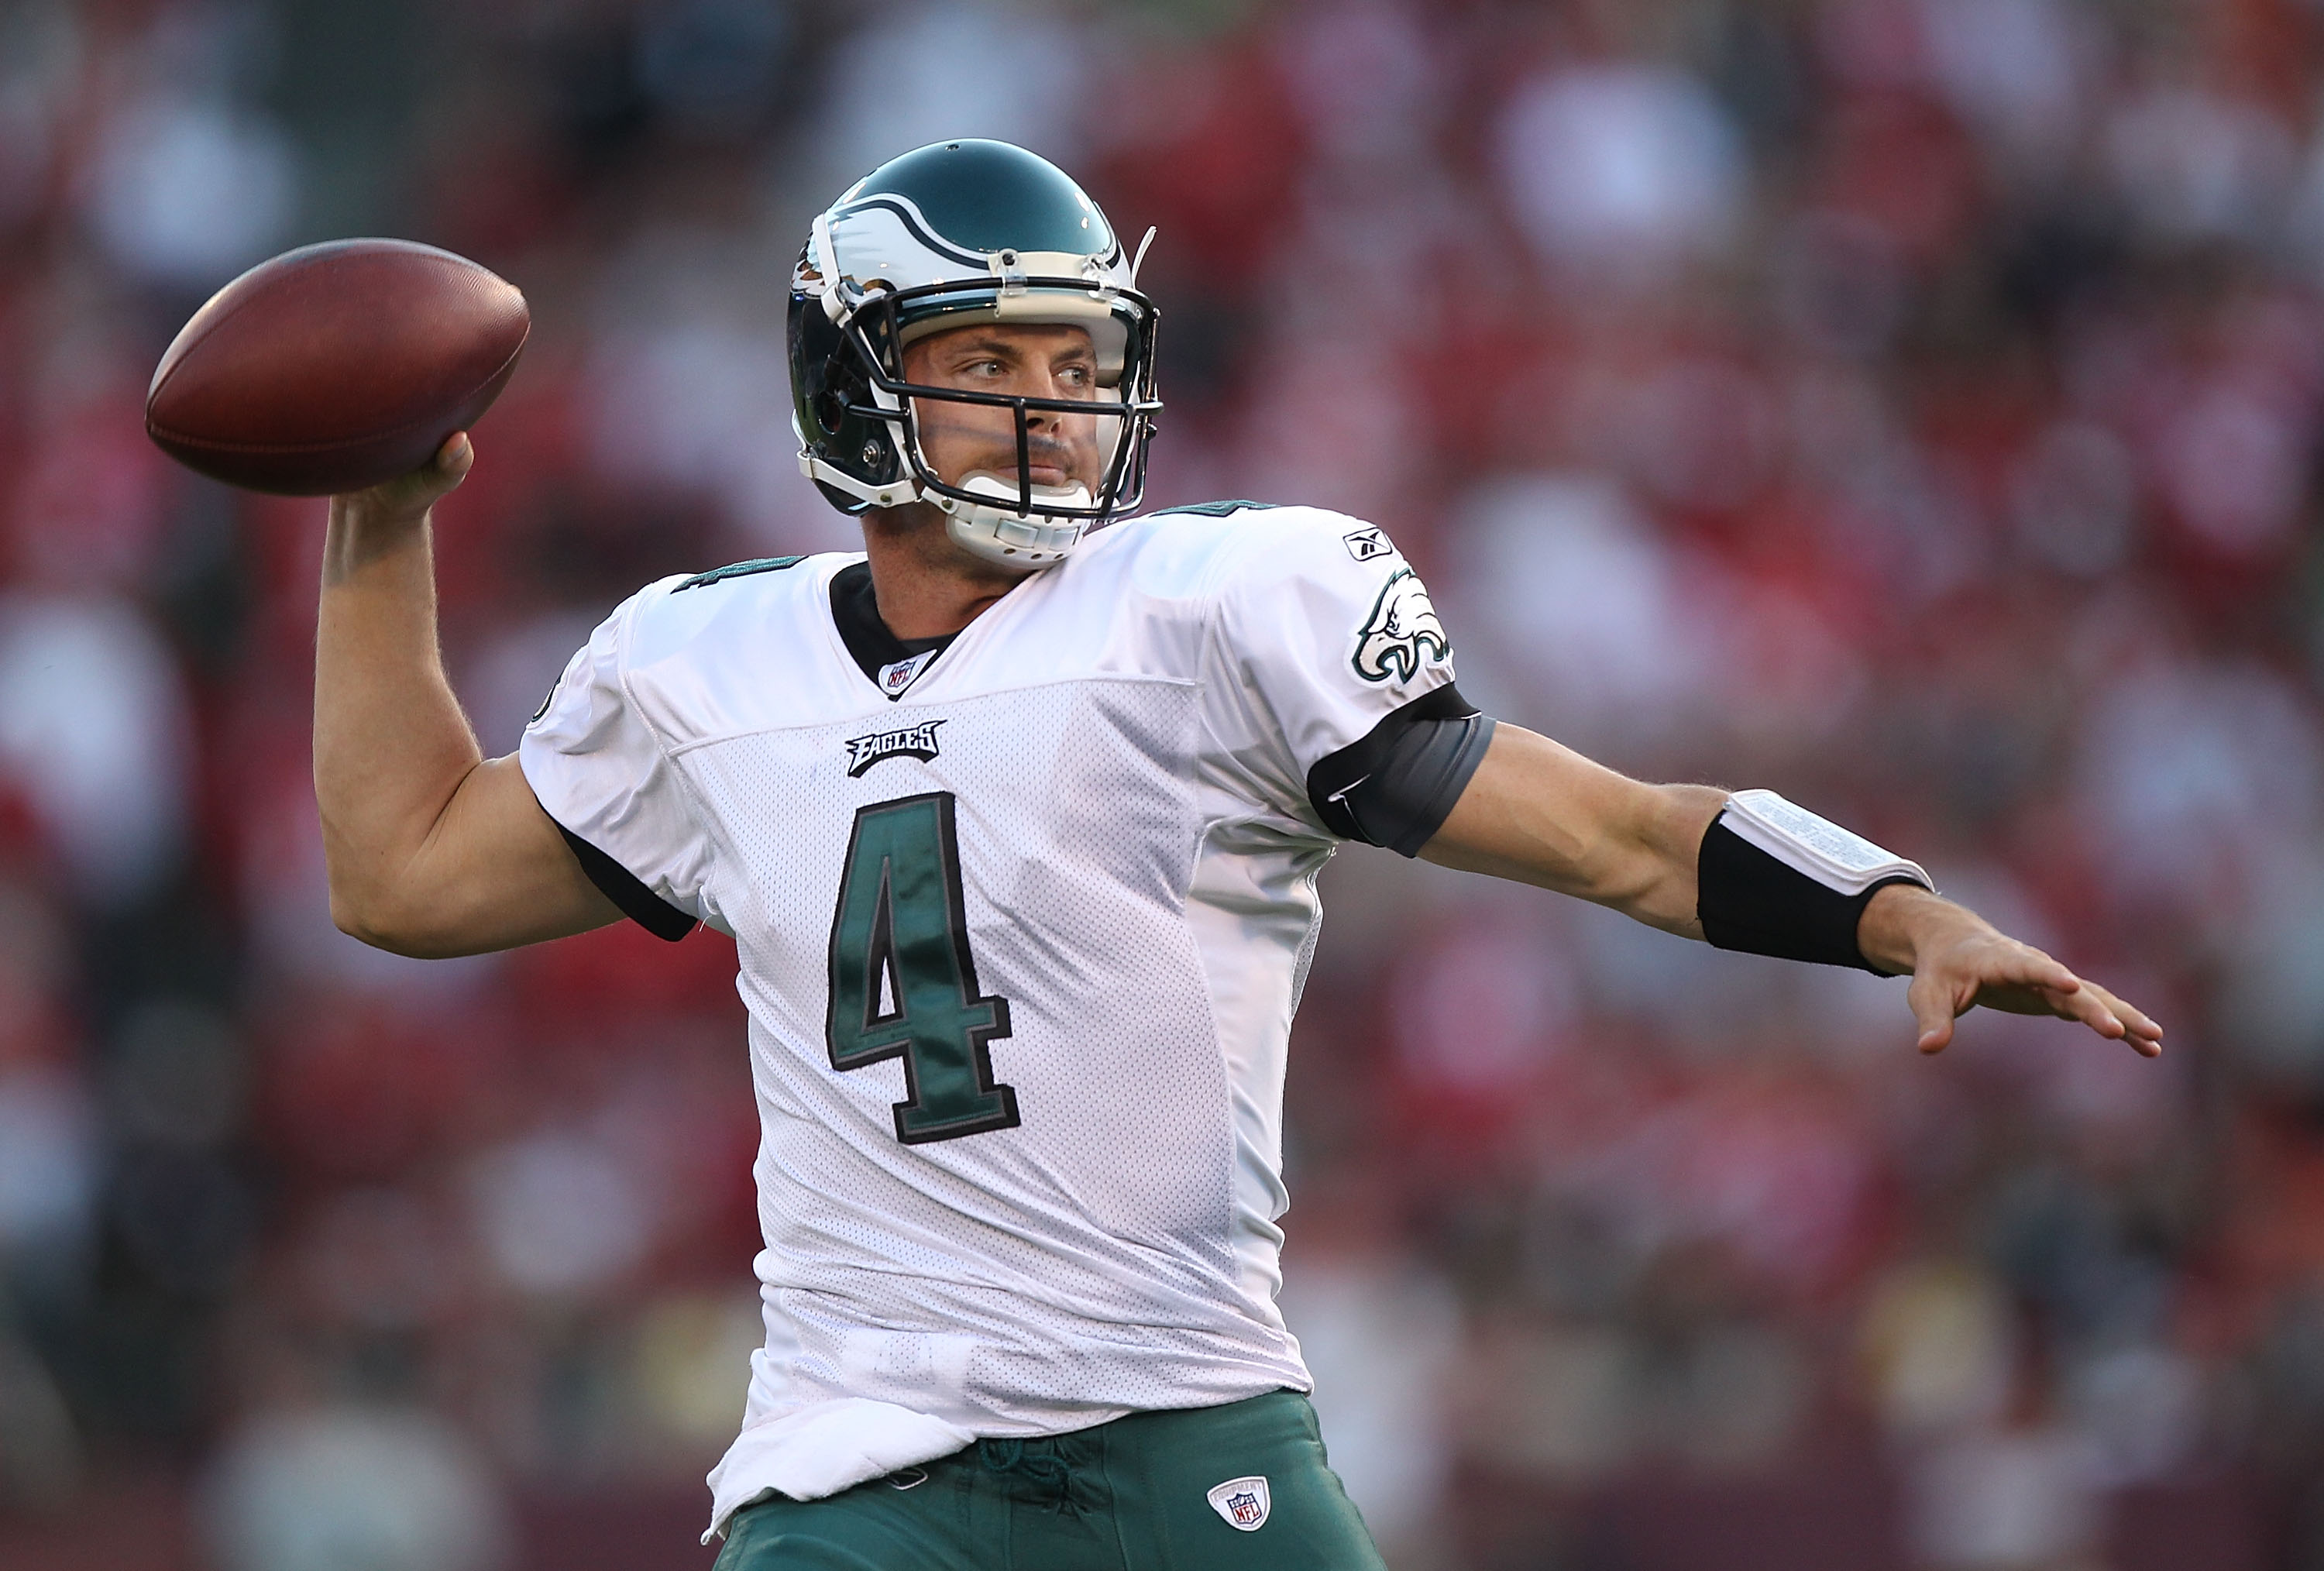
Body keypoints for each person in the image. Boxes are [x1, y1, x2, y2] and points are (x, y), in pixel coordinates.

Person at [313, 140, 2161, 1570]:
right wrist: (378, 528)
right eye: (986, 361)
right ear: (854, 387)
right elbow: (403, 874)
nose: (1052, 404)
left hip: (1185, 1423)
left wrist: (1891, 910)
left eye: (1075, 355)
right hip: (854, 1452)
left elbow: (1615, 838)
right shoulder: (705, 661)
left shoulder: (1213, 604)